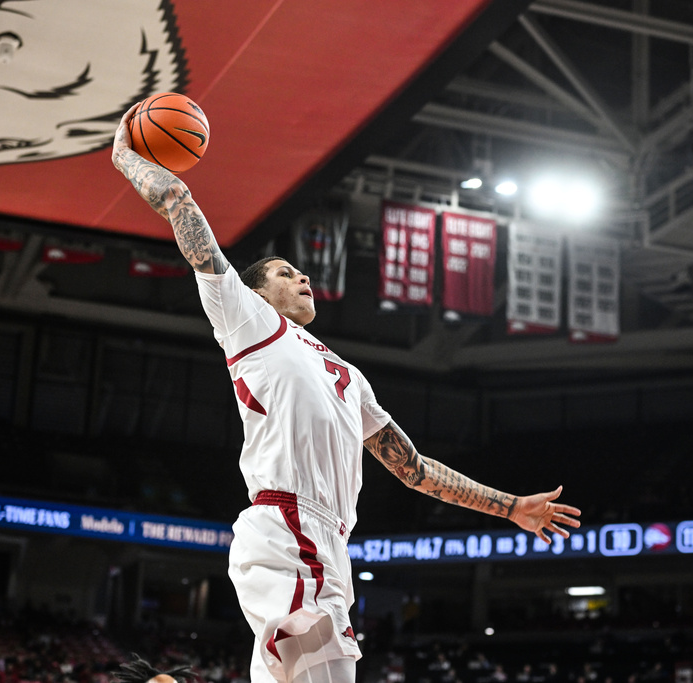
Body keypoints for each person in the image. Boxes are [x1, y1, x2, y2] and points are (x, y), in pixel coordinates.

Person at [112, 101, 582, 683]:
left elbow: (413, 469)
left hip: (331, 544)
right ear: (254, 294)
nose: (301, 276)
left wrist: (509, 507)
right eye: (284, 273)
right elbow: (183, 208)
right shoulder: (250, 324)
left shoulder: (348, 374)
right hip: (287, 528)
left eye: (299, 271)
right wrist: (125, 154)